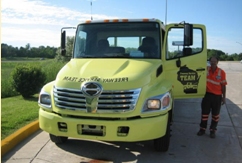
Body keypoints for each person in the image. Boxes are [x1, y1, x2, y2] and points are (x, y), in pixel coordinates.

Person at [197, 56, 227, 138]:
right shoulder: (205, 69)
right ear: (209, 62)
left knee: (215, 115)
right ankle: (202, 129)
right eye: (211, 61)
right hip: (207, 95)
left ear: (217, 62)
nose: (213, 62)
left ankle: (213, 131)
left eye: (214, 61)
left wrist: (224, 97)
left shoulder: (222, 72)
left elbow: (223, 86)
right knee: (204, 114)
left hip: (217, 97)